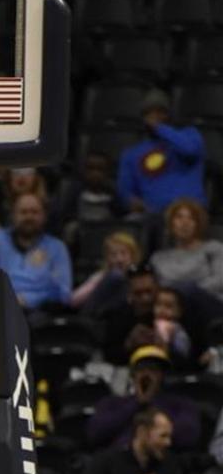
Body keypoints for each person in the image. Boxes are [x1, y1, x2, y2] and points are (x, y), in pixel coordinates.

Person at [88, 346, 202, 451]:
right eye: (141, 369)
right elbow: (95, 434)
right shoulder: (112, 403)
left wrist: (153, 403)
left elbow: (188, 438)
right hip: (119, 462)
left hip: (164, 463)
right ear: (133, 375)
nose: (147, 374)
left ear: (162, 376)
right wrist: (137, 403)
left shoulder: (181, 405)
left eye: (153, 369)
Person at [117, 89, 206, 217]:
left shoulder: (190, 135)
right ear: (143, 118)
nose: (155, 117)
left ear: (169, 115)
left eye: (161, 112)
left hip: (190, 212)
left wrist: (160, 128)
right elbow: (125, 191)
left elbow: (190, 150)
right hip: (152, 216)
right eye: (149, 113)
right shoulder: (131, 154)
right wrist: (131, 201)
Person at [0, 192, 73, 310]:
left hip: (42, 314)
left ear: (44, 216)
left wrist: (27, 300)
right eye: (23, 212)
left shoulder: (57, 247)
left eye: (34, 212)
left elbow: (64, 294)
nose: (29, 217)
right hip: (0, 310)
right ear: (13, 215)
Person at [151, 198, 223, 301]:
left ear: (198, 224)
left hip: (208, 303)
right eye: (179, 217)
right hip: (169, 307)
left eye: (191, 218)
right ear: (171, 223)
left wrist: (184, 293)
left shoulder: (214, 248)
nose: (185, 223)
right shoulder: (158, 258)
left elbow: (220, 280)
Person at [73, 231, 143, 313]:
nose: (119, 259)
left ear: (133, 255)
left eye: (124, 253)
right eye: (114, 255)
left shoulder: (140, 276)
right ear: (107, 258)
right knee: (116, 276)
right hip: (98, 317)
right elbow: (74, 300)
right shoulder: (101, 276)